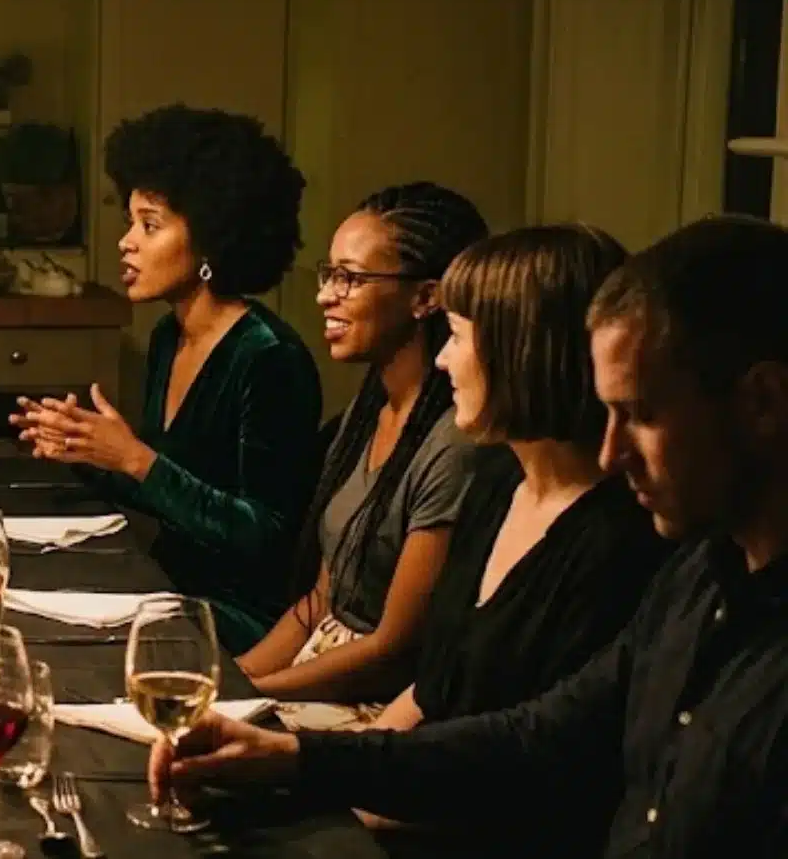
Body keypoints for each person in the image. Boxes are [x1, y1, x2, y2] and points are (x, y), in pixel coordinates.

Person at [148, 216, 788, 859]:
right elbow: (532, 738)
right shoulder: (697, 577)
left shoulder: (637, 550)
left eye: (642, 415)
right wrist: (287, 760)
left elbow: (554, 793)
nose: (614, 451)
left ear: (763, 402)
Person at [351, 225, 672, 847]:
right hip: (417, 804)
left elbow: (543, 774)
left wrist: (330, 797)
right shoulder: (497, 479)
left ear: (524, 351)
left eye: (459, 337)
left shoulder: (621, 541)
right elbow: (432, 691)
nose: (442, 358)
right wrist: (329, 779)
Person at [14, 104, 323, 653]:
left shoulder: (269, 358)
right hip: (164, 588)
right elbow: (170, 488)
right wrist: (88, 452)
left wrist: (133, 458)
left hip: (238, 616)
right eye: (130, 222)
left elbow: (267, 537)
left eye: (149, 225)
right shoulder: (167, 336)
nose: (126, 242)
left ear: (209, 240)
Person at [237, 184, 487, 714]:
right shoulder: (367, 412)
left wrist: (246, 697)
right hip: (315, 667)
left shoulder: (451, 446)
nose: (326, 294)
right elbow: (321, 603)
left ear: (425, 297)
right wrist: (226, 679)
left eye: (350, 278)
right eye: (329, 274)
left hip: (372, 705)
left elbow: (390, 651)